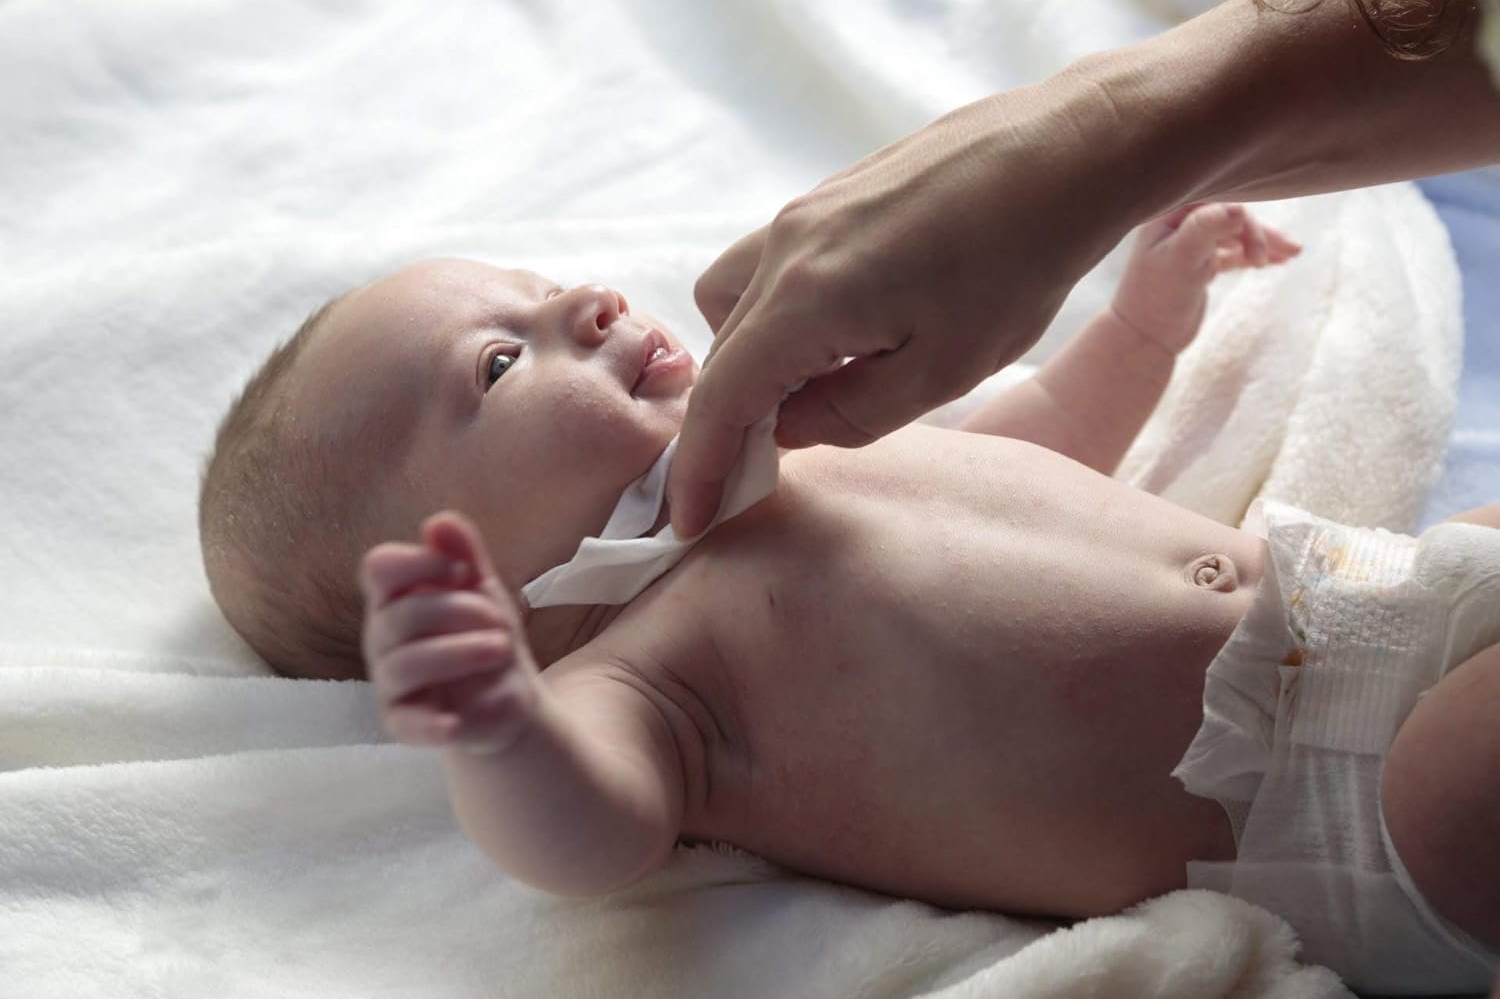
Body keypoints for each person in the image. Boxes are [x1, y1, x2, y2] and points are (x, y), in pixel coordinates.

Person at [197, 203, 1500, 994]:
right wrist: (495, 725)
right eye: (499, 363)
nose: (586, 303)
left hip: (1391, 584)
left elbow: (1040, 440)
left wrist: (1138, 332)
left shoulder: (805, 447)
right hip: (1351, 808)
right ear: (470, 572)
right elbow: (578, 836)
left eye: (541, 291)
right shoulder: (638, 677)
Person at [665, 0, 1500, 540]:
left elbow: (1055, 432)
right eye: (527, 353)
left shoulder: (845, 472)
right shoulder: (645, 669)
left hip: (1349, 612)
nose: (603, 300)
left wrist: (1141, 328)